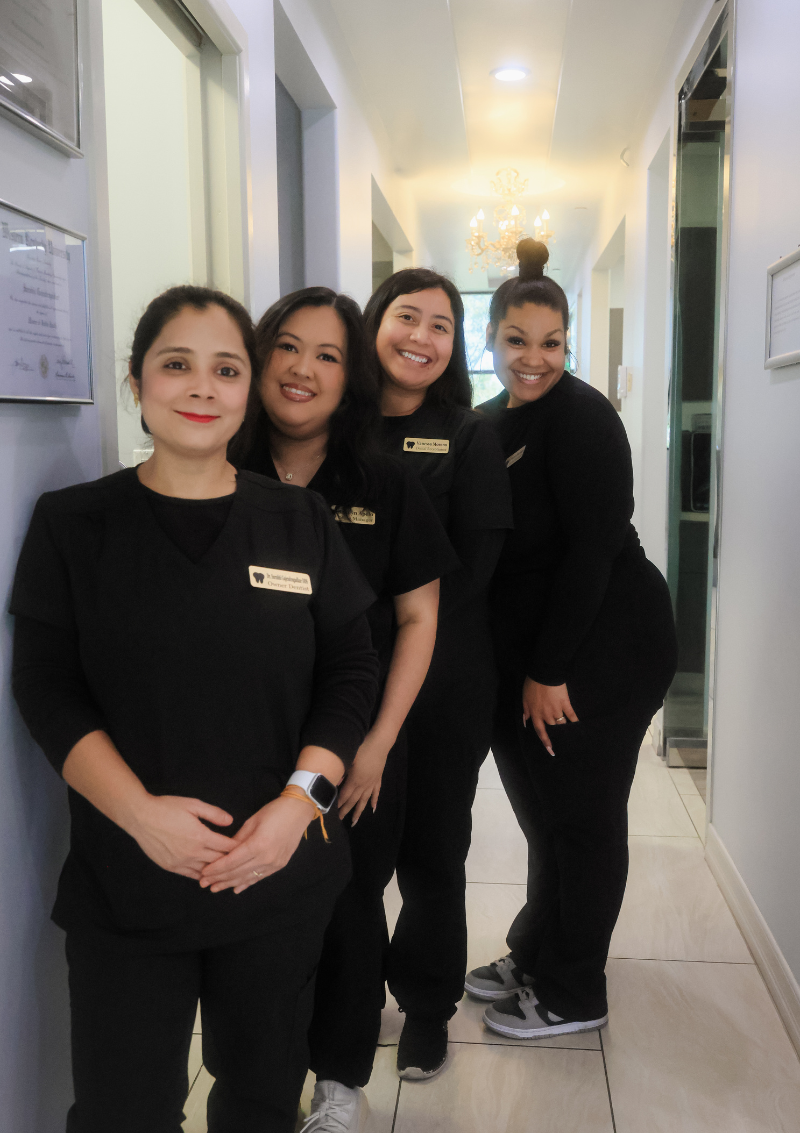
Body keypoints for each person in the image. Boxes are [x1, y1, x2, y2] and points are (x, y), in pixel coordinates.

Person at [10, 285, 380, 1133]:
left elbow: (351, 670)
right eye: (176, 364)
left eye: (226, 369)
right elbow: (46, 686)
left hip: (277, 872)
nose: (201, 386)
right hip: (130, 878)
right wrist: (141, 816)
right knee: (121, 1108)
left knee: (258, 1100)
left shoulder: (299, 520)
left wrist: (298, 807)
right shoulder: (75, 525)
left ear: (248, 392)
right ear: (137, 384)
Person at [242, 286, 458, 1130]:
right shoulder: (219, 463)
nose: (303, 370)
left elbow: (419, 616)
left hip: (359, 743)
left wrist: (375, 747)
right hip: (248, 736)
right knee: (255, 908)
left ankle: (338, 1080)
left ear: (351, 375)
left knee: (348, 906)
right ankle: (258, 1073)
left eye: (328, 355)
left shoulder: (386, 481)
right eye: (286, 347)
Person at [465, 239, 678, 1039]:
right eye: (518, 340)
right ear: (492, 339)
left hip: (606, 648)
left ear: (568, 342)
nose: (535, 357)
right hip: (537, 651)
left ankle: (575, 988)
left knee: (583, 818)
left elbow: (591, 554)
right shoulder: (488, 422)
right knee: (544, 814)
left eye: (551, 342)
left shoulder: (586, 419)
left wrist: (550, 670)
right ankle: (537, 949)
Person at [363, 269, 513, 1079]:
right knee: (349, 857)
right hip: (342, 678)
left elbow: (477, 565)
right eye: (407, 316)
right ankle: (346, 1006)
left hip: (443, 676)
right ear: (374, 322)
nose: (421, 336)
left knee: (430, 850)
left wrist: (397, 637)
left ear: (455, 347)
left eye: (442, 326)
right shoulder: (333, 423)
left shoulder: (466, 433)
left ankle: (426, 1006)